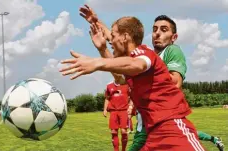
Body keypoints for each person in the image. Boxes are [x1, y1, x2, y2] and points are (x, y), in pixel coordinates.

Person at [79, 5, 224, 151]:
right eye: (154, 29)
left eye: (163, 29)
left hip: (169, 124)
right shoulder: (140, 55)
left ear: (174, 37)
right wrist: (98, 32)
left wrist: (98, 62)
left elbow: (169, 80)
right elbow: (120, 54)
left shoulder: (163, 52)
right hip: (149, 127)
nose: (157, 33)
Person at [103, 80, 130, 151]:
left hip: (123, 111)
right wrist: (105, 109)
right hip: (113, 111)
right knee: (113, 132)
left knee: (124, 132)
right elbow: (107, 98)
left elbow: (132, 96)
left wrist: (130, 107)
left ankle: (124, 149)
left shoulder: (127, 84)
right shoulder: (109, 85)